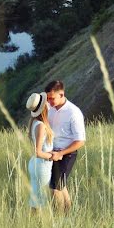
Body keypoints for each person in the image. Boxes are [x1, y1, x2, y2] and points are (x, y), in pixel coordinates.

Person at [45, 80, 85, 212]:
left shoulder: (74, 112)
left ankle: (60, 219)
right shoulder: (49, 108)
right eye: (48, 98)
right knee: (61, 186)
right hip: (51, 153)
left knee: (55, 188)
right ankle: (70, 214)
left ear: (62, 94)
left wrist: (61, 153)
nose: (49, 102)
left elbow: (80, 140)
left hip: (66, 154)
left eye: (52, 98)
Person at [25, 92, 54, 211]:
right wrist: (53, 156)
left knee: (36, 199)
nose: (48, 104)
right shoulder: (41, 126)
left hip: (36, 164)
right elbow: (37, 152)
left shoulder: (34, 122)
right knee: (41, 201)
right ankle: (38, 226)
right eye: (46, 102)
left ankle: (32, 226)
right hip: (41, 165)